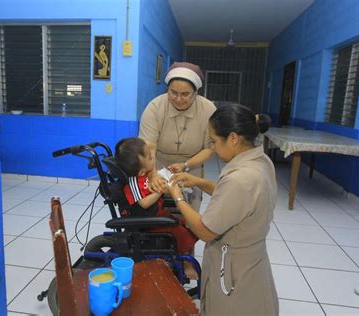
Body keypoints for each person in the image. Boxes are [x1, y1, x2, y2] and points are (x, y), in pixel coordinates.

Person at [167, 104, 279, 315]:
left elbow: (205, 230)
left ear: (233, 138)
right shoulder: (261, 161)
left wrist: (178, 197)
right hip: (253, 258)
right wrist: (199, 182)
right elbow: (238, 201)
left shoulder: (240, 179)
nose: (213, 147)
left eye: (215, 141)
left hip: (234, 267)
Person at [115, 137, 199, 279]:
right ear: (141, 172)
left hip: (157, 212)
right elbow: (144, 203)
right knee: (179, 231)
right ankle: (186, 262)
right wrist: (159, 191)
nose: (153, 158)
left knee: (184, 221)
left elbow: (151, 148)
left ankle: (184, 253)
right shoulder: (133, 183)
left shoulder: (144, 174)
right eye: (150, 158)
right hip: (147, 221)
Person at [139, 62, 216, 212]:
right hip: (157, 164)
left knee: (189, 213)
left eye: (185, 94)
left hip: (192, 167)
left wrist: (186, 165)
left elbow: (210, 148)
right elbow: (149, 147)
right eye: (173, 93)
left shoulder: (208, 110)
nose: (178, 99)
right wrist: (153, 174)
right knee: (157, 211)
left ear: (196, 92)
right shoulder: (155, 107)